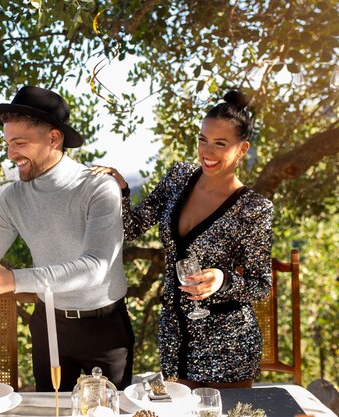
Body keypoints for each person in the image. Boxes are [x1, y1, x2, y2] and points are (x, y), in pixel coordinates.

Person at [0, 86, 135, 392]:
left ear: (53, 139)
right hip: (48, 324)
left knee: (113, 412)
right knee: (50, 411)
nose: (10, 154)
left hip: (105, 327)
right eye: (7, 144)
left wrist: (11, 280)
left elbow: (96, 266)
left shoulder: (98, 188)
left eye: (19, 143)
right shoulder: (13, 197)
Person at [90, 91, 273, 389]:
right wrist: (121, 190)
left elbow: (261, 286)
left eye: (220, 144)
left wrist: (222, 279)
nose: (207, 152)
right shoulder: (179, 177)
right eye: (203, 140)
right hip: (175, 337)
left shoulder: (253, 209)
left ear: (242, 150)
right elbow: (130, 229)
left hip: (228, 345)